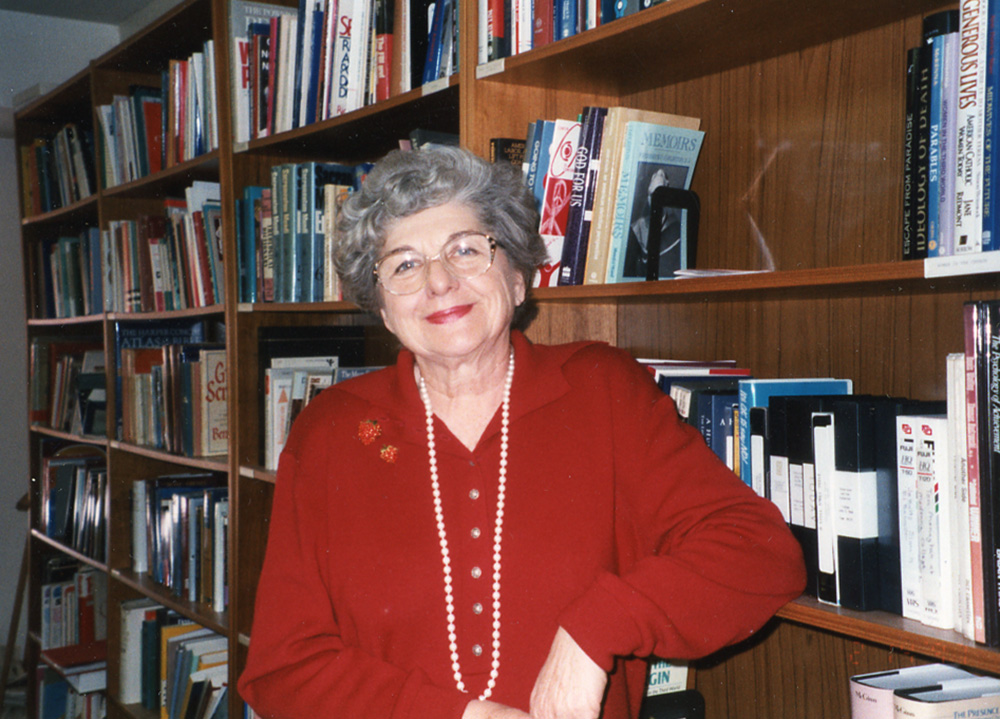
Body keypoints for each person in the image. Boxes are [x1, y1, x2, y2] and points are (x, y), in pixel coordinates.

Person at [238, 146, 805, 719]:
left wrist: (597, 627)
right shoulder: (330, 431)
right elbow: (283, 668)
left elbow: (759, 553)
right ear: (384, 309)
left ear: (515, 278)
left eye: (465, 250)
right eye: (405, 265)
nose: (438, 281)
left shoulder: (601, 389)